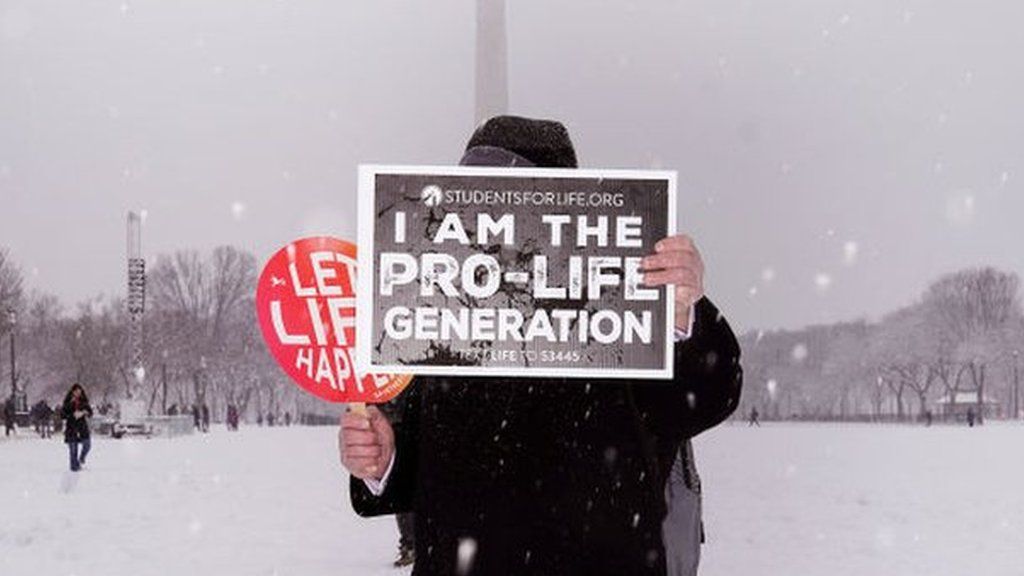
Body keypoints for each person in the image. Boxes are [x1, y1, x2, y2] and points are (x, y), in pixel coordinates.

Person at [340, 116, 743, 576]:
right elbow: (414, 466)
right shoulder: (435, 313)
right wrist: (382, 458)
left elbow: (704, 400)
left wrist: (683, 312)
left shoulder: (622, 302)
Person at [61, 384, 93, 471]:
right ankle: (74, 467)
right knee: (73, 449)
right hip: (71, 427)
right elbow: (62, 415)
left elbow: (90, 412)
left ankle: (81, 458)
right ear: (72, 392)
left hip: (82, 427)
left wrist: (83, 412)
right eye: (76, 392)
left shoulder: (84, 402)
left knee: (87, 445)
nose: (78, 394)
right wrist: (72, 415)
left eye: (79, 392)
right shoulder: (67, 402)